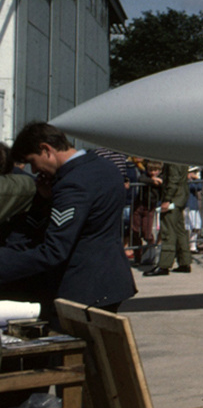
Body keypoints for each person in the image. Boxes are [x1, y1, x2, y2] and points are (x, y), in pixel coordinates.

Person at [0, 122, 135, 320]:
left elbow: (53, 251)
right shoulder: (104, 167)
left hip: (83, 288)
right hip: (110, 280)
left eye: (32, 161)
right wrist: (47, 199)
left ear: (46, 149)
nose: (35, 170)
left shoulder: (73, 184)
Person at [144, 161, 191, 276]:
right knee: (180, 232)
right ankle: (185, 262)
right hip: (180, 198)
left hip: (174, 199)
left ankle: (164, 265)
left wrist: (167, 199)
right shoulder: (181, 157)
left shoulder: (173, 160)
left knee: (168, 232)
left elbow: (173, 180)